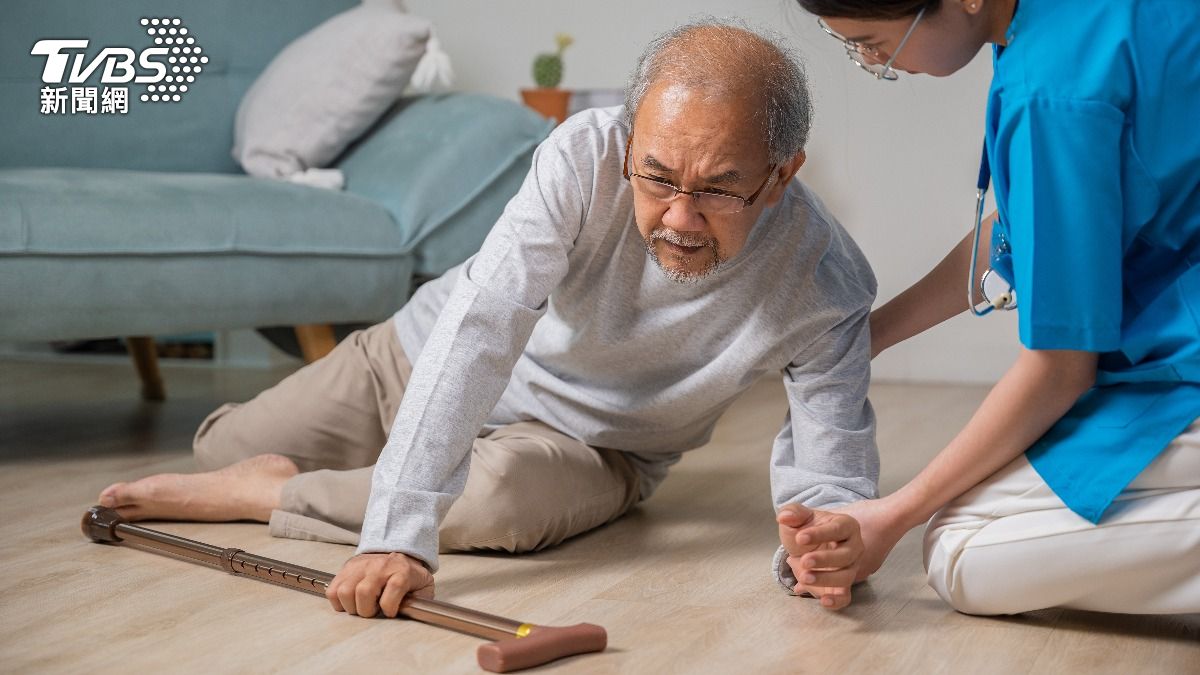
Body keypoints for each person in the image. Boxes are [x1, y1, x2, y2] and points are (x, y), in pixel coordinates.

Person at [99, 21, 881, 617]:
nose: (679, 216)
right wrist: (397, 524)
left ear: (781, 175)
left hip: (592, 444)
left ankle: (272, 495)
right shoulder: (583, 155)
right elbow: (480, 328)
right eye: (656, 176)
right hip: (419, 354)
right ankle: (290, 475)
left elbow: (833, 476)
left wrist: (822, 550)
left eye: (717, 189)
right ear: (629, 139)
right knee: (221, 445)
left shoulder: (826, 282)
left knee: (500, 500)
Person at [782, 0, 1200, 614]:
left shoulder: (1048, 90)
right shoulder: (1074, 26)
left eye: (872, 42)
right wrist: (866, 338)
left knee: (961, 549)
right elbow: (1028, 229)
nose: (872, 61)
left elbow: (1060, 368)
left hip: (1181, 370)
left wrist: (890, 517)